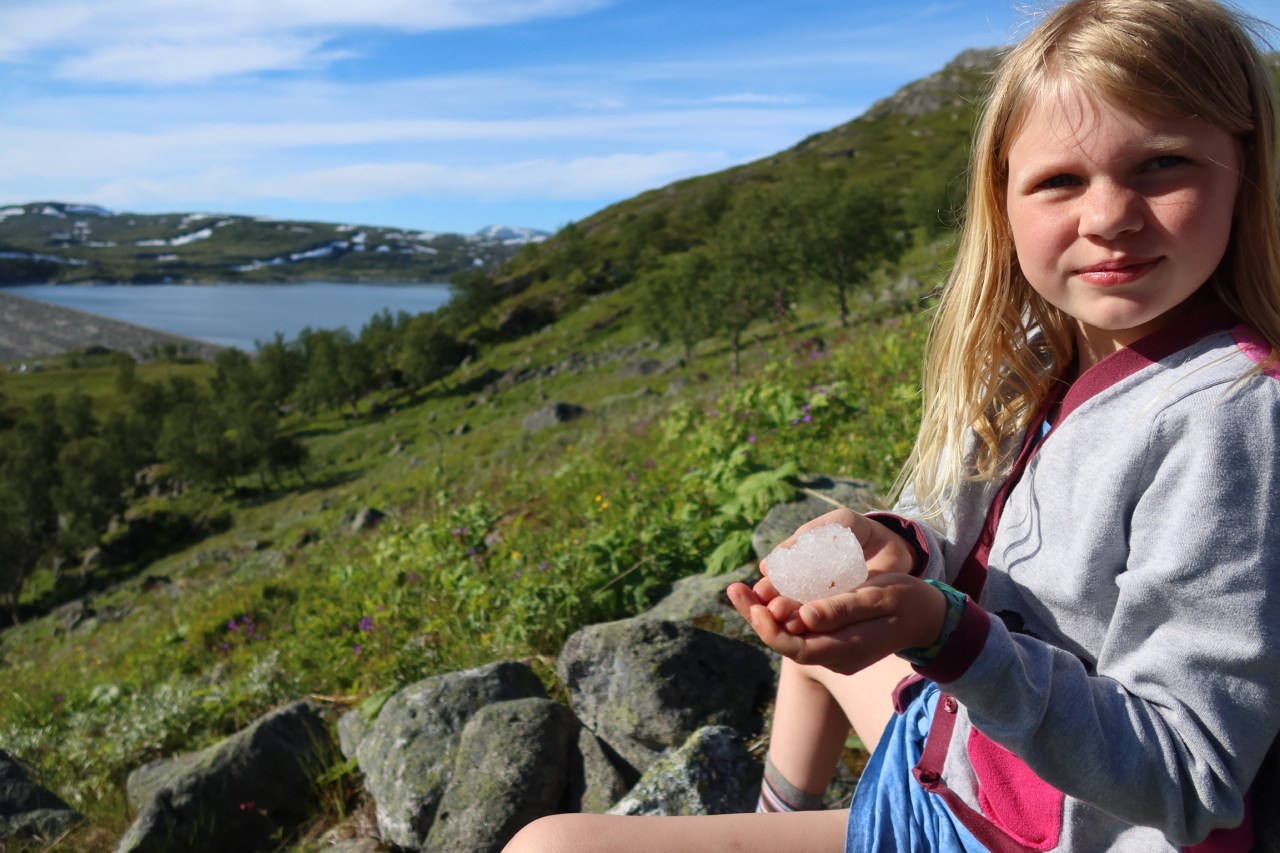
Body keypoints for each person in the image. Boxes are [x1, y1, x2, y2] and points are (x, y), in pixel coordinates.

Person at [503, 0, 1280, 850]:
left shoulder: (1228, 418)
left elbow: (1188, 774)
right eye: (1060, 180)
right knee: (820, 633)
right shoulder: (1038, 348)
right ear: (1003, 201)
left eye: (1163, 164)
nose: (1108, 218)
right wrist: (896, 545)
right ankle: (777, 823)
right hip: (967, 759)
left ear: (1247, 171)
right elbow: (959, 522)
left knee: (549, 845)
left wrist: (948, 636)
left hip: (1030, 829)